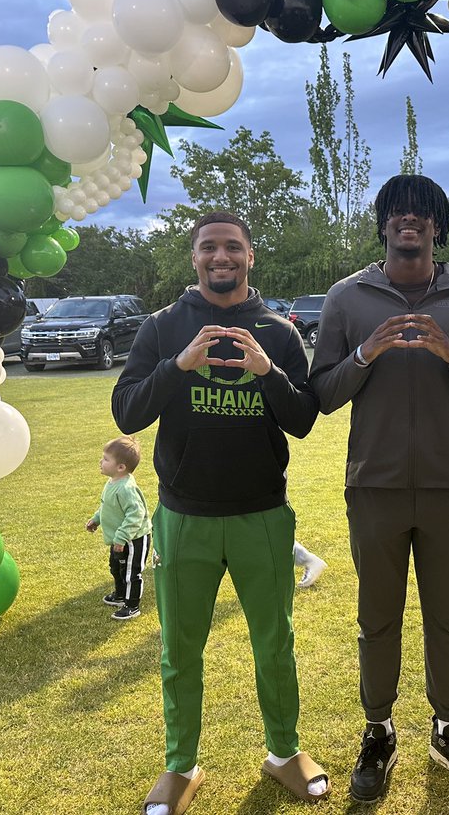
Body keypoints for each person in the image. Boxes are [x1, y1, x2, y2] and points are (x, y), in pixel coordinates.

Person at [113, 212, 329, 815]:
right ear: (195, 257)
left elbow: (304, 419)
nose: (221, 256)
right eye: (209, 247)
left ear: (250, 256)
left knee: (275, 642)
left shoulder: (279, 331)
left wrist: (266, 372)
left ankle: (284, 752)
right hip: (185, 516)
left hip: (262, 514)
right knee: (180, 649)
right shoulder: (163, 326)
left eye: (233, 246)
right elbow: (127, 412)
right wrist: (178, 365)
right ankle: (180, 766)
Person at [310, 174, 449, 803]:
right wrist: (365, 353)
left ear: (437, 227)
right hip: (374, 488)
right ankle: (379, 729)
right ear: (384, 224)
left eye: (422, 213)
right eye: (397, 212)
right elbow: (322, 394)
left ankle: (448, 728)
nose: (408, 221)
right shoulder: (348, 299)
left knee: (446, 621)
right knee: (377, 621)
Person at [85, 435, 152, 621]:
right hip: (119, 540)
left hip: (134, 539)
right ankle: (120, 594)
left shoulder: (126, 488)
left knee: (131, 572)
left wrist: (122, 537)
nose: (101, 461)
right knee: (116, 567)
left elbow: (135, 515)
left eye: (106, 459)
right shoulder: (112, 482)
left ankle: (132, 606)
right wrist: (96, 519)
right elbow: (107, 506)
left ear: (120, 467)